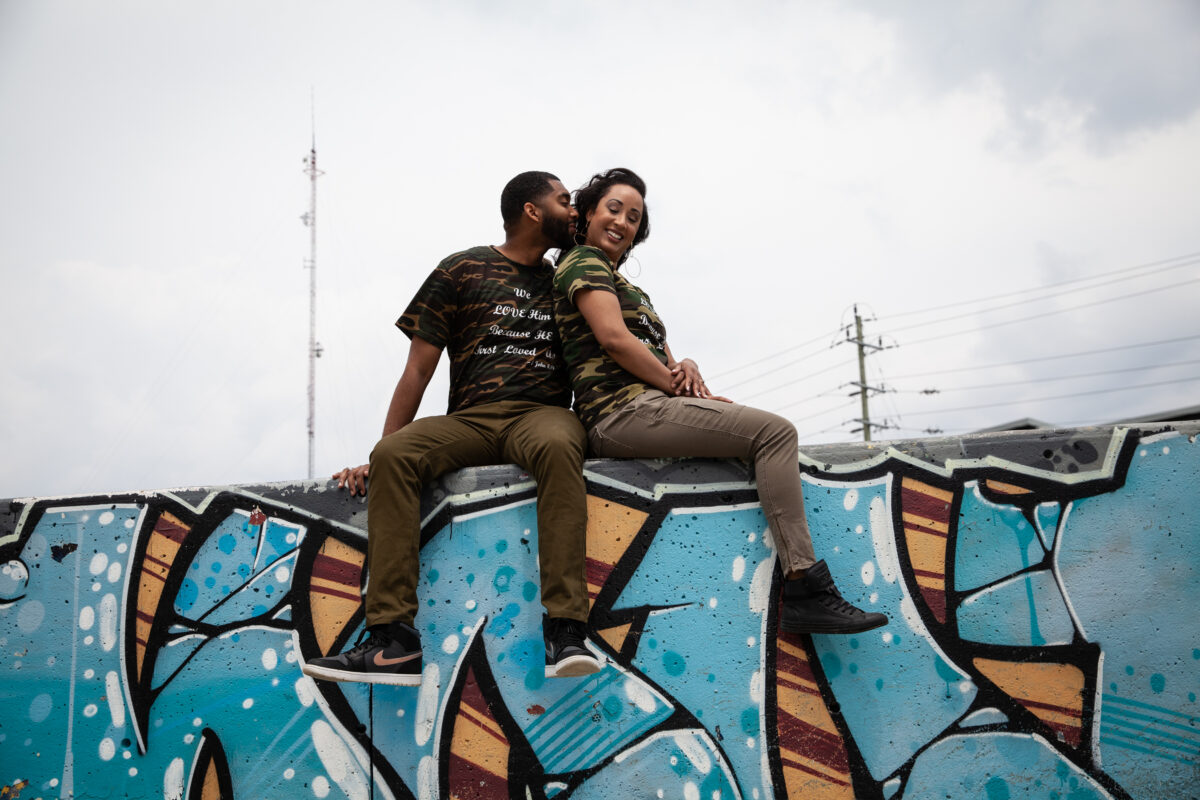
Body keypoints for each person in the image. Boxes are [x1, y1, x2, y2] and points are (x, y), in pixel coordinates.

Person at [552, 168, 887, 635]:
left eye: (634, 217)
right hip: (619, 413)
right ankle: (807, 588)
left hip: (644, 407)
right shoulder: (582, 262)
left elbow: (657, 358)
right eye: (613, 209)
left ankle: (807, 587)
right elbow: (613, 339)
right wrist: (672, 386)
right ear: (588, 213)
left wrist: (684, 367)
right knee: (775, 432)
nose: (623, 222)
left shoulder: (628, 287)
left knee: (760, 429)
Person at [303, 171, 601, 686]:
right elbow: (417, 370)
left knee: (558, 446)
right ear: (531, 210)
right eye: (563, 200)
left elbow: (622, 327)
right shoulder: (460, 268)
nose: (573, 210)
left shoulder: (569, 275)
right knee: (395, 455)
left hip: (541, 416)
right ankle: (393, 641)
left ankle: (566, 630)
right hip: (472, 420)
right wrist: (378, 452)